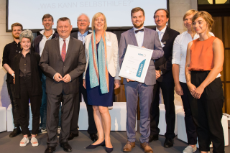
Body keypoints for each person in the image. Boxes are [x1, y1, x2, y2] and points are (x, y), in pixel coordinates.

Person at [119, 7, 164, 153]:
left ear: (144, 18)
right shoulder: (125, 35)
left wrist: (147, 52)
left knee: (145, 111)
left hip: (147, 77)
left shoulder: (153, 33)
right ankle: (130, 140)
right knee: (130, 111)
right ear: (131, 18)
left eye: (139, 17)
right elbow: (121, 57)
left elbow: (160, 52)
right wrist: (125, 73)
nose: (137, 19)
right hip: (131, 78)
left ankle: (145, 141)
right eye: (134, 17)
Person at [40, 17, 86, 153]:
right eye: (60, 27)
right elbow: (43, 63)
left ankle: (64, 141)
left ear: (71, 27)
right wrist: (54, 74)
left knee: (67, 115)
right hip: (53, 85)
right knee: (52, 115)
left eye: (66, 26)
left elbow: (82, 65)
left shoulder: (78, 44)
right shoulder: (49, 44)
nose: (63, 29)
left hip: (70, 85)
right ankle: (51, 142)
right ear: (57, 28)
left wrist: (71, 75)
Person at [185, 11, 225, 153]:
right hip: (194, 81)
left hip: (211, 82)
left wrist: (201, 86)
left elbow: (218, 67)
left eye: (199, 22)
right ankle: (203, 150)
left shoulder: (216, 42)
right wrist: (189, 83)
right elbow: (187, 66)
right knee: (199, 122)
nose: (196, 25)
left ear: (208, 23)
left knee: (214, 123)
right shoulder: (191, 44)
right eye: (194, 22)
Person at [83, 12, 120, 153]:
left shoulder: (111, 36)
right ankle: (99, 137)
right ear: (93, 22)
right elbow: (86, 59)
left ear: (104, 22)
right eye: (96, 20)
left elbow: (115, 57)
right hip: (91, 76)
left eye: (101, 20)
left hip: (106, 76)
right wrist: (84, 78)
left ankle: (108, 139)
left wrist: (117, 77)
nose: (99, 22)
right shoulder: (88, 38)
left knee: (103, 108)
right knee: (95, 108)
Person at [149, 9, 180, 148]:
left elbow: (173, 57)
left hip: (166, 76)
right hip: (150, 75)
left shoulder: (174, 35)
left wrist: (160, 71)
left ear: (167, 18)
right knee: (152, 106)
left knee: (169, 106)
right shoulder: (149, 34)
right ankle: (153, 132)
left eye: (162, 16)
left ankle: (169, 136)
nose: (159, 18)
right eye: (156, 16)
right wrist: (152, 70)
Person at [172, 9, 198, 153]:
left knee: (203, 112)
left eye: (191, 18)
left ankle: (205, 141)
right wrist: (177, 83)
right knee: (189, 112)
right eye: (185, 19)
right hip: (183, 79)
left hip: (203, 80)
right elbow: (175, 62)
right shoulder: (179, 38)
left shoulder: (208, 36)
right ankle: (192, 143)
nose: (188, 21)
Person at [69, 13, 98, 142]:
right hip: (73, 76)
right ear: (76, 23)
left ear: (88, 23)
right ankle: (73, 130)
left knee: (91, 105)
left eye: (84, 20)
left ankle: (93, 130)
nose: (82, 22)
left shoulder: (94, 36)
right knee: (73, 105)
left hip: (89, 76)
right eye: (79, 20)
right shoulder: (70, 36)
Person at [11, 29, 42, 147]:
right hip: (20, 86)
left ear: (31, 42)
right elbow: (15, 73)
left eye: (28, 42)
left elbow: (40, 72)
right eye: (23, 42)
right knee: (22, 111)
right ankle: (25, 135)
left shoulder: (36, 56)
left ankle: (34, 135)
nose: (26, 44)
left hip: (34, 86)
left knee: (35, 111)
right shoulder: (16, 58)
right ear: (20, 43)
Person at [34, 14, 58, 133]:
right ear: (42, 22)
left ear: (53, 23)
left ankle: (57, 125)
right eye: (45, 20)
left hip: (54, 72)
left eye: (49, 20)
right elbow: (34, 56)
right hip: (41, 73)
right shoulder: (38, 38)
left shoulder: (57, 36)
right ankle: (43, 125)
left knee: (55, 100)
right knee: (43, 100)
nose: (47, 22)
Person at [2, 23, 25, 138]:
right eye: (15, 30)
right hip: (12, 80)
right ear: (12, 32)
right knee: (15, 104)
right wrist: (13, 73)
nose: (17, 32)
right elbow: (4, 62)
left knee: (24, 103)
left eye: (19, 30)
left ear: (22, 31)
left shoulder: (26, 45)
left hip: (26, 81)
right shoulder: (8, 47)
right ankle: (17, 127)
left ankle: (25, 127)